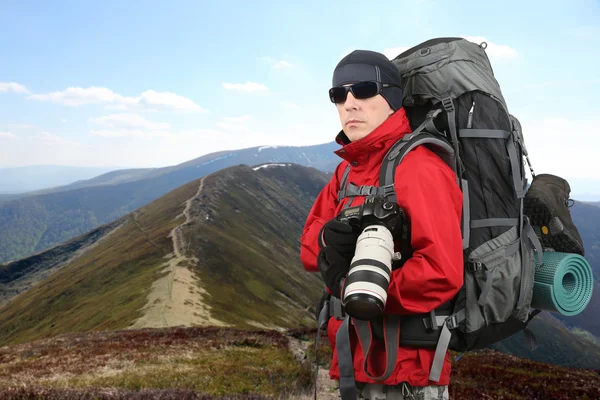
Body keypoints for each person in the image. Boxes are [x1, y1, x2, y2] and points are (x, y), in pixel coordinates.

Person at [299, 49, 464, 399]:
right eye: (338, 94)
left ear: (391, 98)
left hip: (408, 374)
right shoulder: (347, 171)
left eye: (363, 89)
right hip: (352, 361)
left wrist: (359, 286)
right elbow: (308, 248)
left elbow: (442, 271)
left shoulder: (420, 168)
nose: (349, 103)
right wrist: (333, 243)